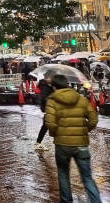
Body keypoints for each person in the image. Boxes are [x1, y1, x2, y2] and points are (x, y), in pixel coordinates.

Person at [44, 74, 101, 203]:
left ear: (54, 87)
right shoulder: (81, 99)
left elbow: (50, 124)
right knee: (87, 177)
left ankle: (66, 200)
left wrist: (56, 134)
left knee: (63, 174)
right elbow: (93, 119)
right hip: (81, 144)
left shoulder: (52, 101)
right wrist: (83, 130)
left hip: (62, 145)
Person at [34, 77, 54, 151]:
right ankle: (38, 143)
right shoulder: (45, 87)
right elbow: (44, 98)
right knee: (45, 126)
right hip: (49, 109)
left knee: (45, 126)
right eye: (50, 77)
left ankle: (38, 143)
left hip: (50, 109)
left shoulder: (48, 86)